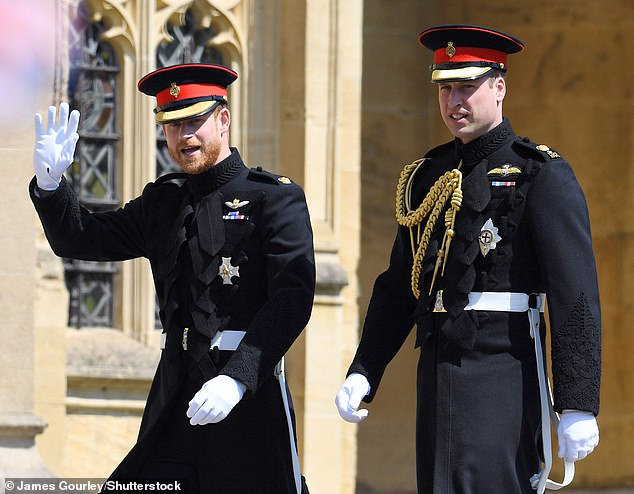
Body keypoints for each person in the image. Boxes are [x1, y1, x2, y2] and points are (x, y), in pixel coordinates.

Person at [335, 24, 601, 494]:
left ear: (499, 88)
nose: (454, 101)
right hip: (437, 368)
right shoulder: (426, 175)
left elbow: (574, 292)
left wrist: (577, 402)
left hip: (504, 371)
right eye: (445, 88)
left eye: (467, 87)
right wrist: (364, 369)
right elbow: (400, 285)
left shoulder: (539, 173)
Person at [30, 63, 314, 493]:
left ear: (223, 118)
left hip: (244, 402)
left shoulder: (273, 198)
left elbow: (293, 297)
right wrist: (52, 186)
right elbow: (81, 239)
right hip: (175, 399)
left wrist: (238, 377)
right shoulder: (163, 203)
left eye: (194, 121)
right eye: (172, 125)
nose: (184, 137)